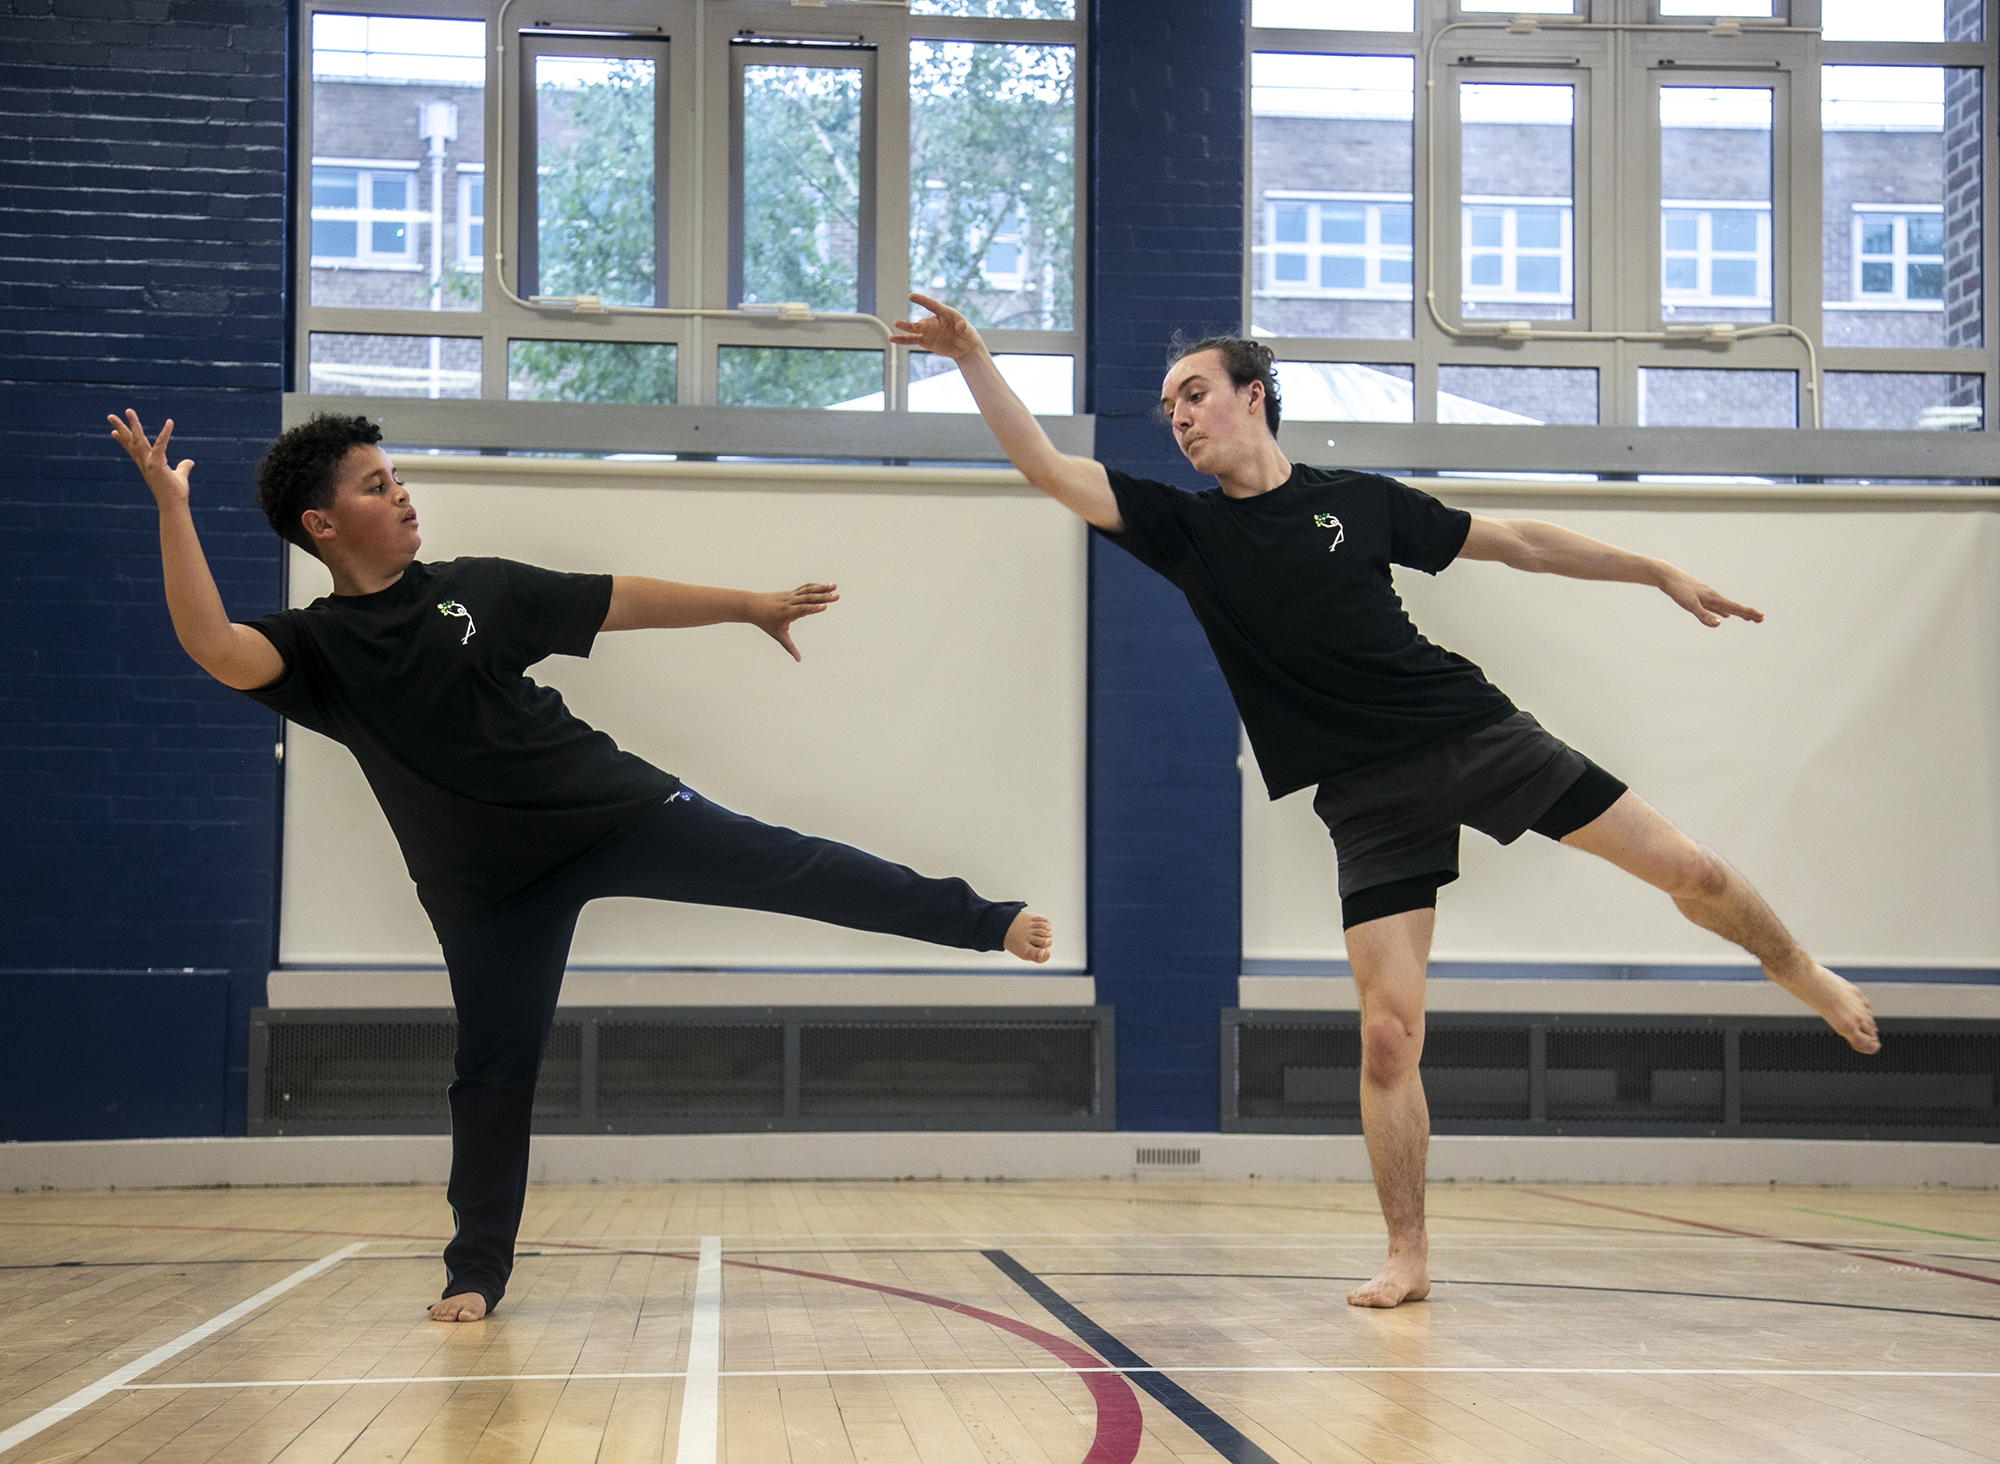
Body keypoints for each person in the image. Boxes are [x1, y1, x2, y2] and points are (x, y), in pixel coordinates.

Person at [890, 295, 1880, 1310]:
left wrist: (1655, 569)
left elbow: (1519, 543)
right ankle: (1406, 1253)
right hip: (1364, 797)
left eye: (1195, 394)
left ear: (1252, 398)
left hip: (1469, 735)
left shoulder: (1354, 504)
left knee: (1690, 871)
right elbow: (1047, 469)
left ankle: (1797, 965)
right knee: (1384, 1035)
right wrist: (970, 354)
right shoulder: (1182, 533)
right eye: (1166, 406)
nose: (1178, 417)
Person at [110, 407, 1054, 1323]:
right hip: (486, 894)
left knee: (789, 866)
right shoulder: (317, 650)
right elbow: (213, 645)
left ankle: (983, 920)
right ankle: (474, 1273)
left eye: (396, 478)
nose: (403, 496)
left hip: (613, 814)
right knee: (491, 1073)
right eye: (377, 485)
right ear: (323, 524)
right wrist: (172, 509)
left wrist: (748, 607)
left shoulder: (474, 588)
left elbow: (617, 597)